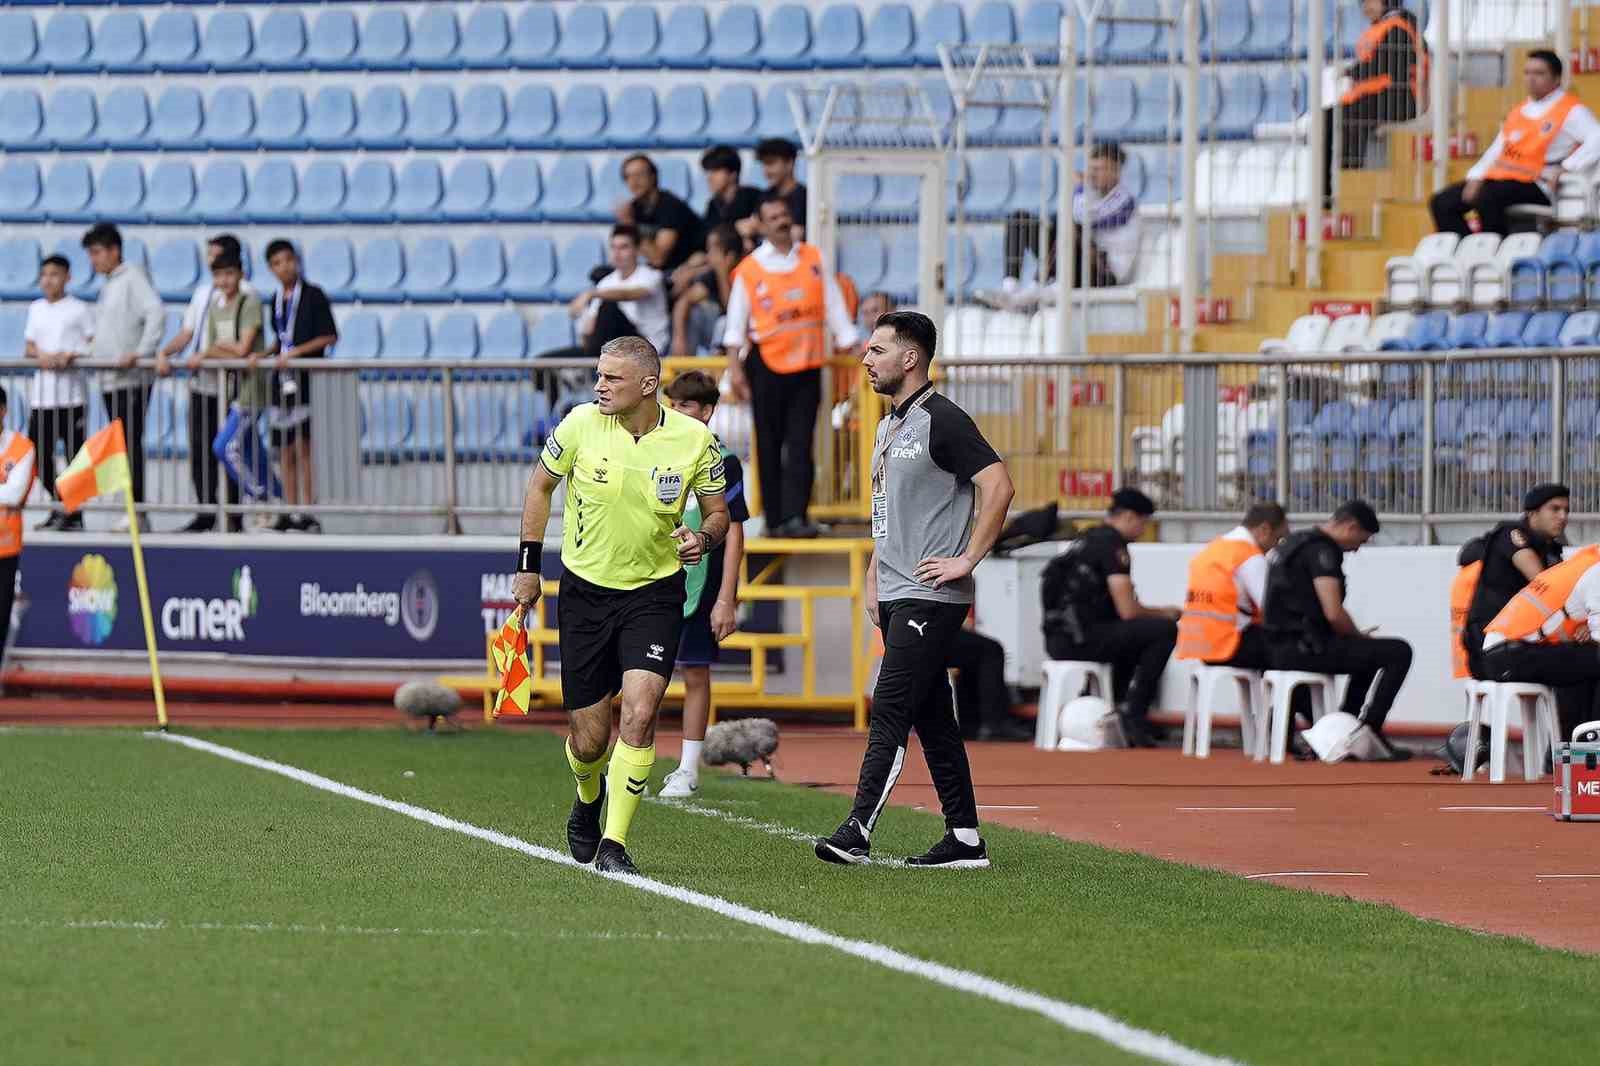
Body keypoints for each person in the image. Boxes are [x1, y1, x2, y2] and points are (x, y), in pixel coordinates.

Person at [512, 336, 729, 876]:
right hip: (584, 593)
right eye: (599, 375)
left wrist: (702, 539)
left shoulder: (696, 439)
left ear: (648, 385)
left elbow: (719, 512)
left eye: (612, 377)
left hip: (654, 594)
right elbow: (539, 489)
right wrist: (528, 565)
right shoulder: (579, 424)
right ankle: (587, 799)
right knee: (589, 740)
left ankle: (614, 842)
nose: (599, 386)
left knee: (640, 709)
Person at [816, 310, 1015, 867]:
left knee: (891, 705)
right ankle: (965, 839)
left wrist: (967, 558)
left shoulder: (943, 420)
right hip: (899, 589)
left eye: (877, 350)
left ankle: (858, 828)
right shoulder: (887, 426)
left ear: (911, 358)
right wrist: (875, 575)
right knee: (934, 719)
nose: (865, 360)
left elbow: (999, 485)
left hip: (931, 594)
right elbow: (889, 514)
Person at [722, 194, 859, 537]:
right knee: (768, 442)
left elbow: (833, 303)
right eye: (773, 217)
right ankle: (774, 517)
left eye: (784, 214)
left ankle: (797, 515)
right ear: (762, 224)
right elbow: (735, 325)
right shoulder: (750, 269)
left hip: (808, 363)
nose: (781, 221)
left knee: (801, 442)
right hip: (766, 364)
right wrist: (735, 370)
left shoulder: (812, 257)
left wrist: (849, 341)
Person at [1260, 500, 1414, 761]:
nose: (1356, 549)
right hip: (1306, 649)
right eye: (1360, 541)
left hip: (1276, 648)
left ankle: (1347, 726)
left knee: (1366, 654)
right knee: (1398, 651)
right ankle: (1366, 731)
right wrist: (1357, 634)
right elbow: (1333, 612)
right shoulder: (1322, 551)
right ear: (1351, 527)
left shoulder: (1293, 544)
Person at [657, 371, 750, 799]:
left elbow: (734, 531)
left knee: (694, 672)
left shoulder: (724, 460)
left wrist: (726, 598)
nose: (677, 412)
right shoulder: (656, 451)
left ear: (707, 411)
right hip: (654, 576)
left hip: (702, 582)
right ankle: (629, 758)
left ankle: (688, 768)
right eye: (672, 404)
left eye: (686, 405)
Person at [1041, 489, 1181, 748]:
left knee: (1130, 636)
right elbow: (1127, 609)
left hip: (1059, 639)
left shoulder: (1085, 540)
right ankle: (1133, 713)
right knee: (1163, 630)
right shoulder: (1113, 546)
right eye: (1143, 522)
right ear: (1129, 517)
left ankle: (1108, 703)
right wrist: (1166, 612)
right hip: (1083, 640)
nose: (1143, 529)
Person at [1431, 50, 1600, 236]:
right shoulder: (1518, 111)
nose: (1531, 78)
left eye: (1539, 73)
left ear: (1557, 78)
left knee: (1488, 197)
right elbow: (1496, 150)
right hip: (1501, 180)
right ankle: (1468, 252)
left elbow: (1597, 138)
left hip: (1537, 184)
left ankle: (1495, 251)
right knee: (1442, 202)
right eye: (1527, 73)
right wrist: (1476, 176)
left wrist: (1567, 167)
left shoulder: (1571, 110)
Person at [986, 143, 1140, 310]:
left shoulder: (1125, 201)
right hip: (1078, 262)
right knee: (1020, 219)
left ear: (1115, 171)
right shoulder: (1091, 196)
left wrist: (1080, 188)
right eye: (1091, 168)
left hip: (1104, 273)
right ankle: (1010, 288)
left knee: (1068, 225)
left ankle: (1031, 291)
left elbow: (1085, 219)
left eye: (1099, 169)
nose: (1091, 174)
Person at [158, 234, 243, 533]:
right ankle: (205, 508)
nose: (208, 261)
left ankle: (234, 513)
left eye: (214, 256)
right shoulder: (202, 293)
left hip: (228, 384)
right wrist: (165, 353)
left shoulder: (244, 293)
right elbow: (187, 332)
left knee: (229, 449)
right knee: (200, 448)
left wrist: (209, 354)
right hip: (200, 382)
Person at [82, 223, 162, 532]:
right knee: (122, 446)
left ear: (114, 250)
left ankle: (136, 510)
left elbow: (156, 312)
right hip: (111, 378)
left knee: (130, 444)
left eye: (97, 252)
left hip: (130, 379)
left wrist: (141, 352)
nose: (94, 260)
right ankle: (131, 507)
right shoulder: (110, 284)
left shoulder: (132, 277)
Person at [1480, 543, 1600, 740]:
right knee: (1591, 660)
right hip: (1507, 654)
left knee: (1578, 669)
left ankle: (1573, 756)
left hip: (1504, 650)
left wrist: (1586, 628)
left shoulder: (1586, 563)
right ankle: (1587, 750)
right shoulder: (1596, 573)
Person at [264, 240, 338, 534]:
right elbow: (281, 339)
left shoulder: (314, 295)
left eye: (288, 260)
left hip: (306, 377)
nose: (285, 267)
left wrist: (296, 353)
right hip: (281, 382)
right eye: (277, 263)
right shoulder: (275, 299)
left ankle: (309, 510)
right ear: (271, 269)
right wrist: (267, 353)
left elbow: (329, 336)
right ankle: (288, 508)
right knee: (283, 449)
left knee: (304, 447)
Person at [198, 249, 280, 516]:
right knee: (253, 449)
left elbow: (243, 348)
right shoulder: (214, 307)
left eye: (229, 274)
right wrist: (221, 349)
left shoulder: (249, 303)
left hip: (251, 389)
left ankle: (259, 496)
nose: (224, 280)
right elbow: (211, 348)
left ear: (240, 275)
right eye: (219, 275)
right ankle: (280, 498)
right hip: (231, 388)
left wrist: (219, 349)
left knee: (226, 447)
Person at [1462, 484, 1568, 680]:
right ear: (1532, 513)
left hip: (1521, 644)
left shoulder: (1551, 551)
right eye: (1555, 509)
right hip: (1493, 649)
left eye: (1566, 510)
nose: (1563, 517)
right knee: (1586, 661)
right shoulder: (1512, 534)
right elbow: (1544, 583)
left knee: (1583, 661)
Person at [1328, 0, 1428, 203]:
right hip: (1376, 98)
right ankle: (1330, 188)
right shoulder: (1381, 28)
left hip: (1400, 99)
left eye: (1371, 1)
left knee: (1349, 116)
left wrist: (1349, 71)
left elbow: (1388, 66)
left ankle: (1350, 179)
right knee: (1328, 117)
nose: (1366, 6)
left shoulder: (1398, 27)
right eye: (1363, 3)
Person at [1176, 502, 1291, 672]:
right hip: (1231, 645)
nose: (1276, 546)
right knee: (1298, 654)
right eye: (1278, 538)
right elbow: (1272, 608)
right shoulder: (1249, 556)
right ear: (1264, 529)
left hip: (1203, 647)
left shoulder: (1214, 549)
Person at [24, 254, 93, 532]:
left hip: (71, 396)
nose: (48, 280)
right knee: (38, 455)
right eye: (44, 275)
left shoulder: (78, 308)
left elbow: (92, 342)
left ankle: (74, 513)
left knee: (74, 458)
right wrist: (42, 355)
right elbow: (29, 345)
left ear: (67, 277)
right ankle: (60, 504)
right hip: (42, 396)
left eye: (54, 274)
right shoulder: (36, 308)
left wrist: (70, 355)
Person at [567, 226, 671, 358]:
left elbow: (628, 294)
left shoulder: (651, 276)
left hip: (645, 348)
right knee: (543, 363)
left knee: (608, 307)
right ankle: (591, 363)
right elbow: (587, 325)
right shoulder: (606, 282)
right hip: (611, 348)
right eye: (613, 247)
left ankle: (593, 363)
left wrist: (591, 294)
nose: (617, 253)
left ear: (637, 250)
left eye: (623, 247)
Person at [617, 154, 704, 277]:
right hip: (656, 271)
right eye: (628, 177)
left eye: (639, 175)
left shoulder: (670, 206)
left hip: (684, 270)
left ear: (653, 177)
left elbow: (658, 259)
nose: (633, 182)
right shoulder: (633, 208)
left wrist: (629, 225)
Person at [949, 621, 1032, 742]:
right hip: (926, 635)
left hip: (917, 634)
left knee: (974, 651)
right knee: (992, 650)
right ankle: (994, 723)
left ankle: (971, 723)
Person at [670, 225, 743, 357]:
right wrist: (679, 338)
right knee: (695, 313)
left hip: (740, 334)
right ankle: (683, 366)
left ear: (729, 255)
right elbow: (684, 301)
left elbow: (732, 310)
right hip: (716, 335)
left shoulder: (746, 269)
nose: (708, 256)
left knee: (724, 322)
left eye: (712, 250)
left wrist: (722, 271)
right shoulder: (711, 274)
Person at [0, 389, 36, 658]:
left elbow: (14, 494)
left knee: (1, 613)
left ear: (2, 411)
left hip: (5, 545)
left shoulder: (22, 447)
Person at [699, 144, 763, 248]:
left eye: (715, 171)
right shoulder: (713, 204)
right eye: (708, 172)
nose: (709, 177)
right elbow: (707, 236)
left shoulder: (754, 196)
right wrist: (736, 228)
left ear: (733, 174)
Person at [755, 137, 807, 240]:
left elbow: (796, 235)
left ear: (789, 163)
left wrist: (760, 229)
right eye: (764, 165)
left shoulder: (805, 197)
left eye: (771, 163)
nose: (766, 171)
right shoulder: (764, 196)